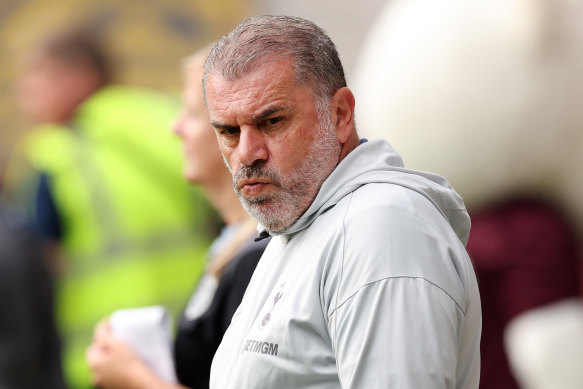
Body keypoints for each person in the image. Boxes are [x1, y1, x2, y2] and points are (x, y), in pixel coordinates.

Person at [202, 15, 481, 388]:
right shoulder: (306, 223)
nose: (247, 153)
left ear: (340, 115)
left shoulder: (383, 229)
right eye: (229, 131)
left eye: (272, 121)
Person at [2, 28, 215, 388]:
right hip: (197, 340)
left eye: (37, 80)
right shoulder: (170, 121)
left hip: (106, 356)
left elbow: (31, 274)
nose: (26, 97)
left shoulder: (54, 153)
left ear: (78, 77)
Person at [86, 47, 269, 389]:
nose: (175, 128)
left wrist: (132, 377)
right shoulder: (232, 245)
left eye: (189, 113)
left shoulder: (258, 259)